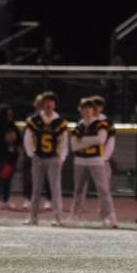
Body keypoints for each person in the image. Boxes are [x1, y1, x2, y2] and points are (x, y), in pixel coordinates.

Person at [69, 98, 118, 228]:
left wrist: (82, 140)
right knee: (78, 190)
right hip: (80, 160)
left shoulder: (101, 124)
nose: (87, 112)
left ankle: (110, 216)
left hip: (96, 160)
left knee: (103, 190)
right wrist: (90, 141)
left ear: (94, 111)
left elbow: (100, 139)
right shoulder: (79, 126)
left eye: (90, 109)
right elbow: (73, 146)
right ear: (81, 111)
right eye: (84, 109)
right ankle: (75, 215)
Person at [23, 91, 68, 226]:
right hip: (39, 157)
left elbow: (63, 141)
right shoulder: (34, 120)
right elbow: (28, 139)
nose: (49, 104)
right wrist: (32, 154)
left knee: (55, 189)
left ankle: (58, 217)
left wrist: (61, 157)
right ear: (42, 104)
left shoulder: (60, 122)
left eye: (51, 102)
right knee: (36, 188)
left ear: (54, 104)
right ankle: (33, 217)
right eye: (46, 102)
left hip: (53, 157)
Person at [0, 105, 20, 209]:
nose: (10, 116)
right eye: (7, 114)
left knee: (8, 178)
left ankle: (6, 199)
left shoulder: (13, 126)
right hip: (0, 156)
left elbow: (18, 141)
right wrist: (6, 142)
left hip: (11, 157)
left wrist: (14, 146)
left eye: (11, 114)